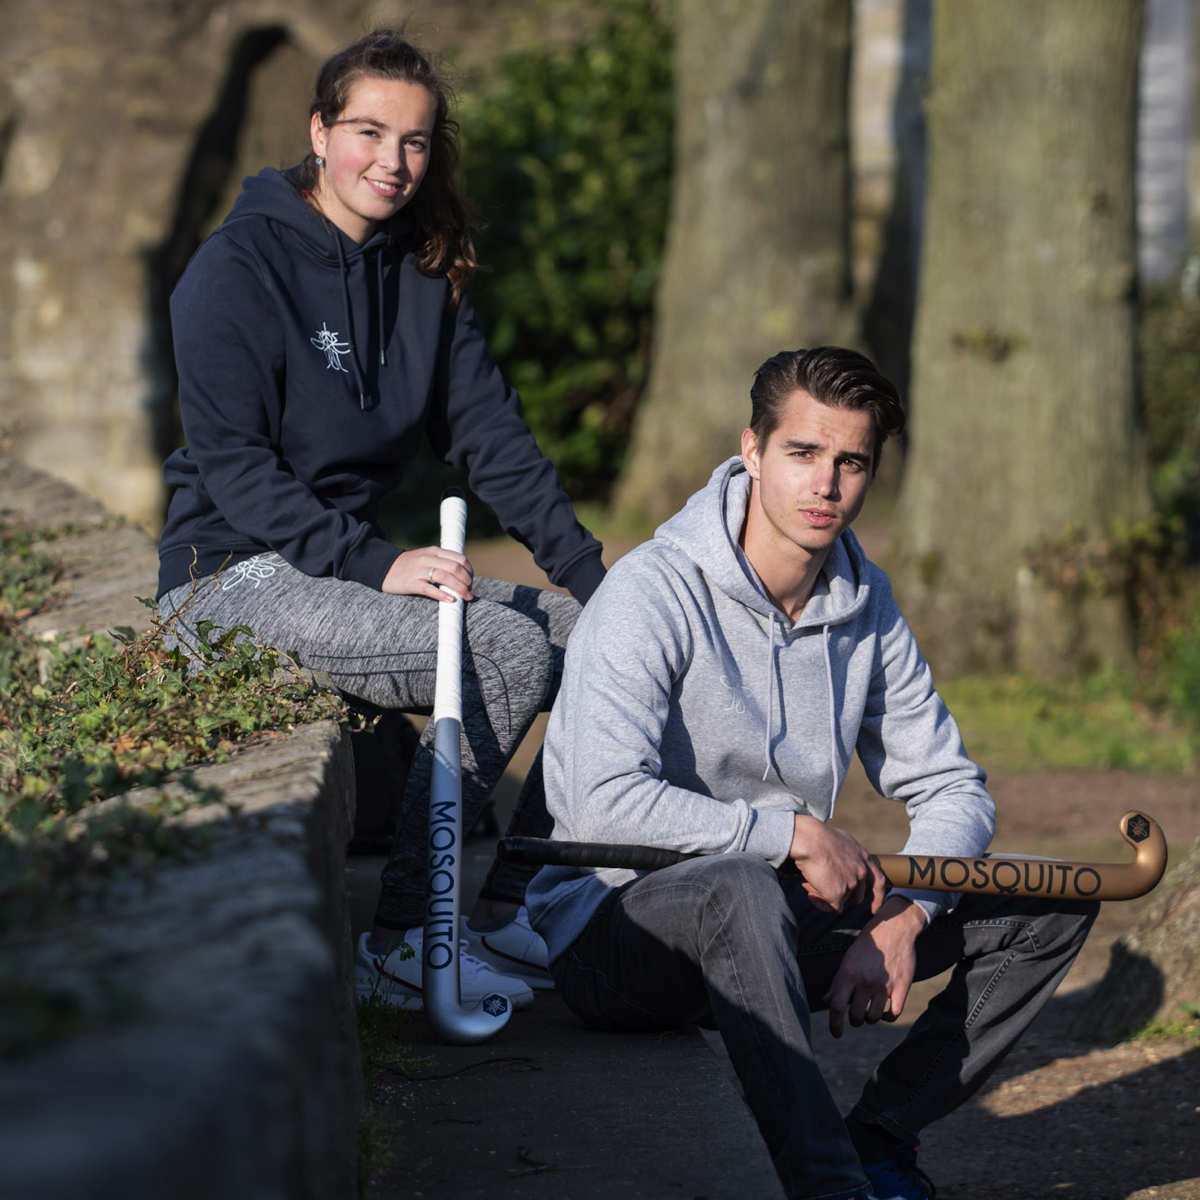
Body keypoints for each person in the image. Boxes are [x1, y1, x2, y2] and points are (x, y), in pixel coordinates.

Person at [526, 347, 1097, 1200]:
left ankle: (876, 1144)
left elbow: (951, 786)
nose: (826, 484)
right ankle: (830, 1188)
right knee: (739, 883)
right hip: (618, 936)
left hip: (773, 918)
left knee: (1045, 902)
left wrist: (907, 914)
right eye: (803, 453)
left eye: (851, 462)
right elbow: (599, 804)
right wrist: (788, 834)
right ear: (752, 450)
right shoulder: (652, 591)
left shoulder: (866, 603)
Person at [155, 30, 599, 1010]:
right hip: (228, 579)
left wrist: (597, 580)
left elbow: (493, 440)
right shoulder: (234, 269)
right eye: (369, 132)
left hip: (336, 572)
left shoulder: (423, 274)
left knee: (600, 644)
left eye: (415, 141)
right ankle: (403, 937)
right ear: (319, 131)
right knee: (503, 653)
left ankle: (512, 905)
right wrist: (375, 561)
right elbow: (236, 469)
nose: (392, 161)